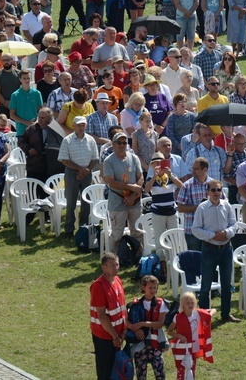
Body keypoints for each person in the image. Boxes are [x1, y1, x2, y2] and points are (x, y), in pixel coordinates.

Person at [192, 178, 240, 322]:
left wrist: (225, 233)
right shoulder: (202, 208)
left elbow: (234, 224)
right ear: (207, 192)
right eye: (213, 190)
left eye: (219, 189)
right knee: (205, 285)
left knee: (226, 284)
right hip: (209, 249)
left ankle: (226, 314)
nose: (216, 193)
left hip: (226, 249)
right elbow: (195, 229)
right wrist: (213, 236)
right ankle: (204, 315)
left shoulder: (227, 205)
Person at [103, 131, 145, 256]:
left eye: (124, 142)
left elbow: (140, 177)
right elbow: (111, 182)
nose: (122, 145)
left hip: (134, 201)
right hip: (117, 201)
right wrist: (131, 186)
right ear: (113, 145)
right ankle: (112, 260)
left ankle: (138, 258)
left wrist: (133, 195)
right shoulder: (108, 161)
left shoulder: (134, 158)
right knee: (116, 234)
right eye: (119, 143)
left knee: (137, 232)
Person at [58, 116, 98, 237]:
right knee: (71, 202)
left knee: (86, 202)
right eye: (79, 125)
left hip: (87, 172)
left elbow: (95, 158)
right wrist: (80, 169)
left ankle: (84, 227)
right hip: (71, 172)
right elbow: (64, 159)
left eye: (83, 125)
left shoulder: (91, 140)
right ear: (74, 126)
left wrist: (85, 171)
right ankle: (69, 229)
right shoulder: (67, 140)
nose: (81, 127)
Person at [90, 252, 127, 380]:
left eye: (117, 264)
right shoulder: (98, 286)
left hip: (117, 335)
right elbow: (102, 316)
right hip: (105, 337)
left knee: (116, 371)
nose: (116, 267)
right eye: (112, 265)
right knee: (105, 372)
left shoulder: (117, 280)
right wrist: (115, 337)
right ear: (103, 267)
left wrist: (124, 330)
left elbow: (122, 307)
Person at [124, 275, 168, 380]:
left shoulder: (161, 303)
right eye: (150, 287)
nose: (153, 290)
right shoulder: (135, 304)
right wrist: (136, 328)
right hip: (139, 343)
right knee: (141, 374)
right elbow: (126, 320)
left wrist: (142, 324)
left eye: (155, 287)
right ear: (143, 287)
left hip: (155, 343)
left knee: (160, 372)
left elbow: (160, 323)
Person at [167, 292, 215, 380]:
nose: (190, 305)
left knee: (192, 369)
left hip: (193, 347)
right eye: (187, 303)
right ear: (183, 305)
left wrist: (209, 315)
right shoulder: (177, 317)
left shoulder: (198, 314)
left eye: (192, 302)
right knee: (181, 370)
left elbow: (213, 310)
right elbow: (169, 331)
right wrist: (179, 336)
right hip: (182, 347)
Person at [9, 70, 42, 136]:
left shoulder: (37, 93)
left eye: (28, 78)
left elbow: (40, 111)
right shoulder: (15, 95)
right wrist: (26, 122)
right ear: (20, 80)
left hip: (36, 130)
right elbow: (12, 115)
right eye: (24, 78)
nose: (26, 80)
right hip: (22, 131)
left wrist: (36, 122)